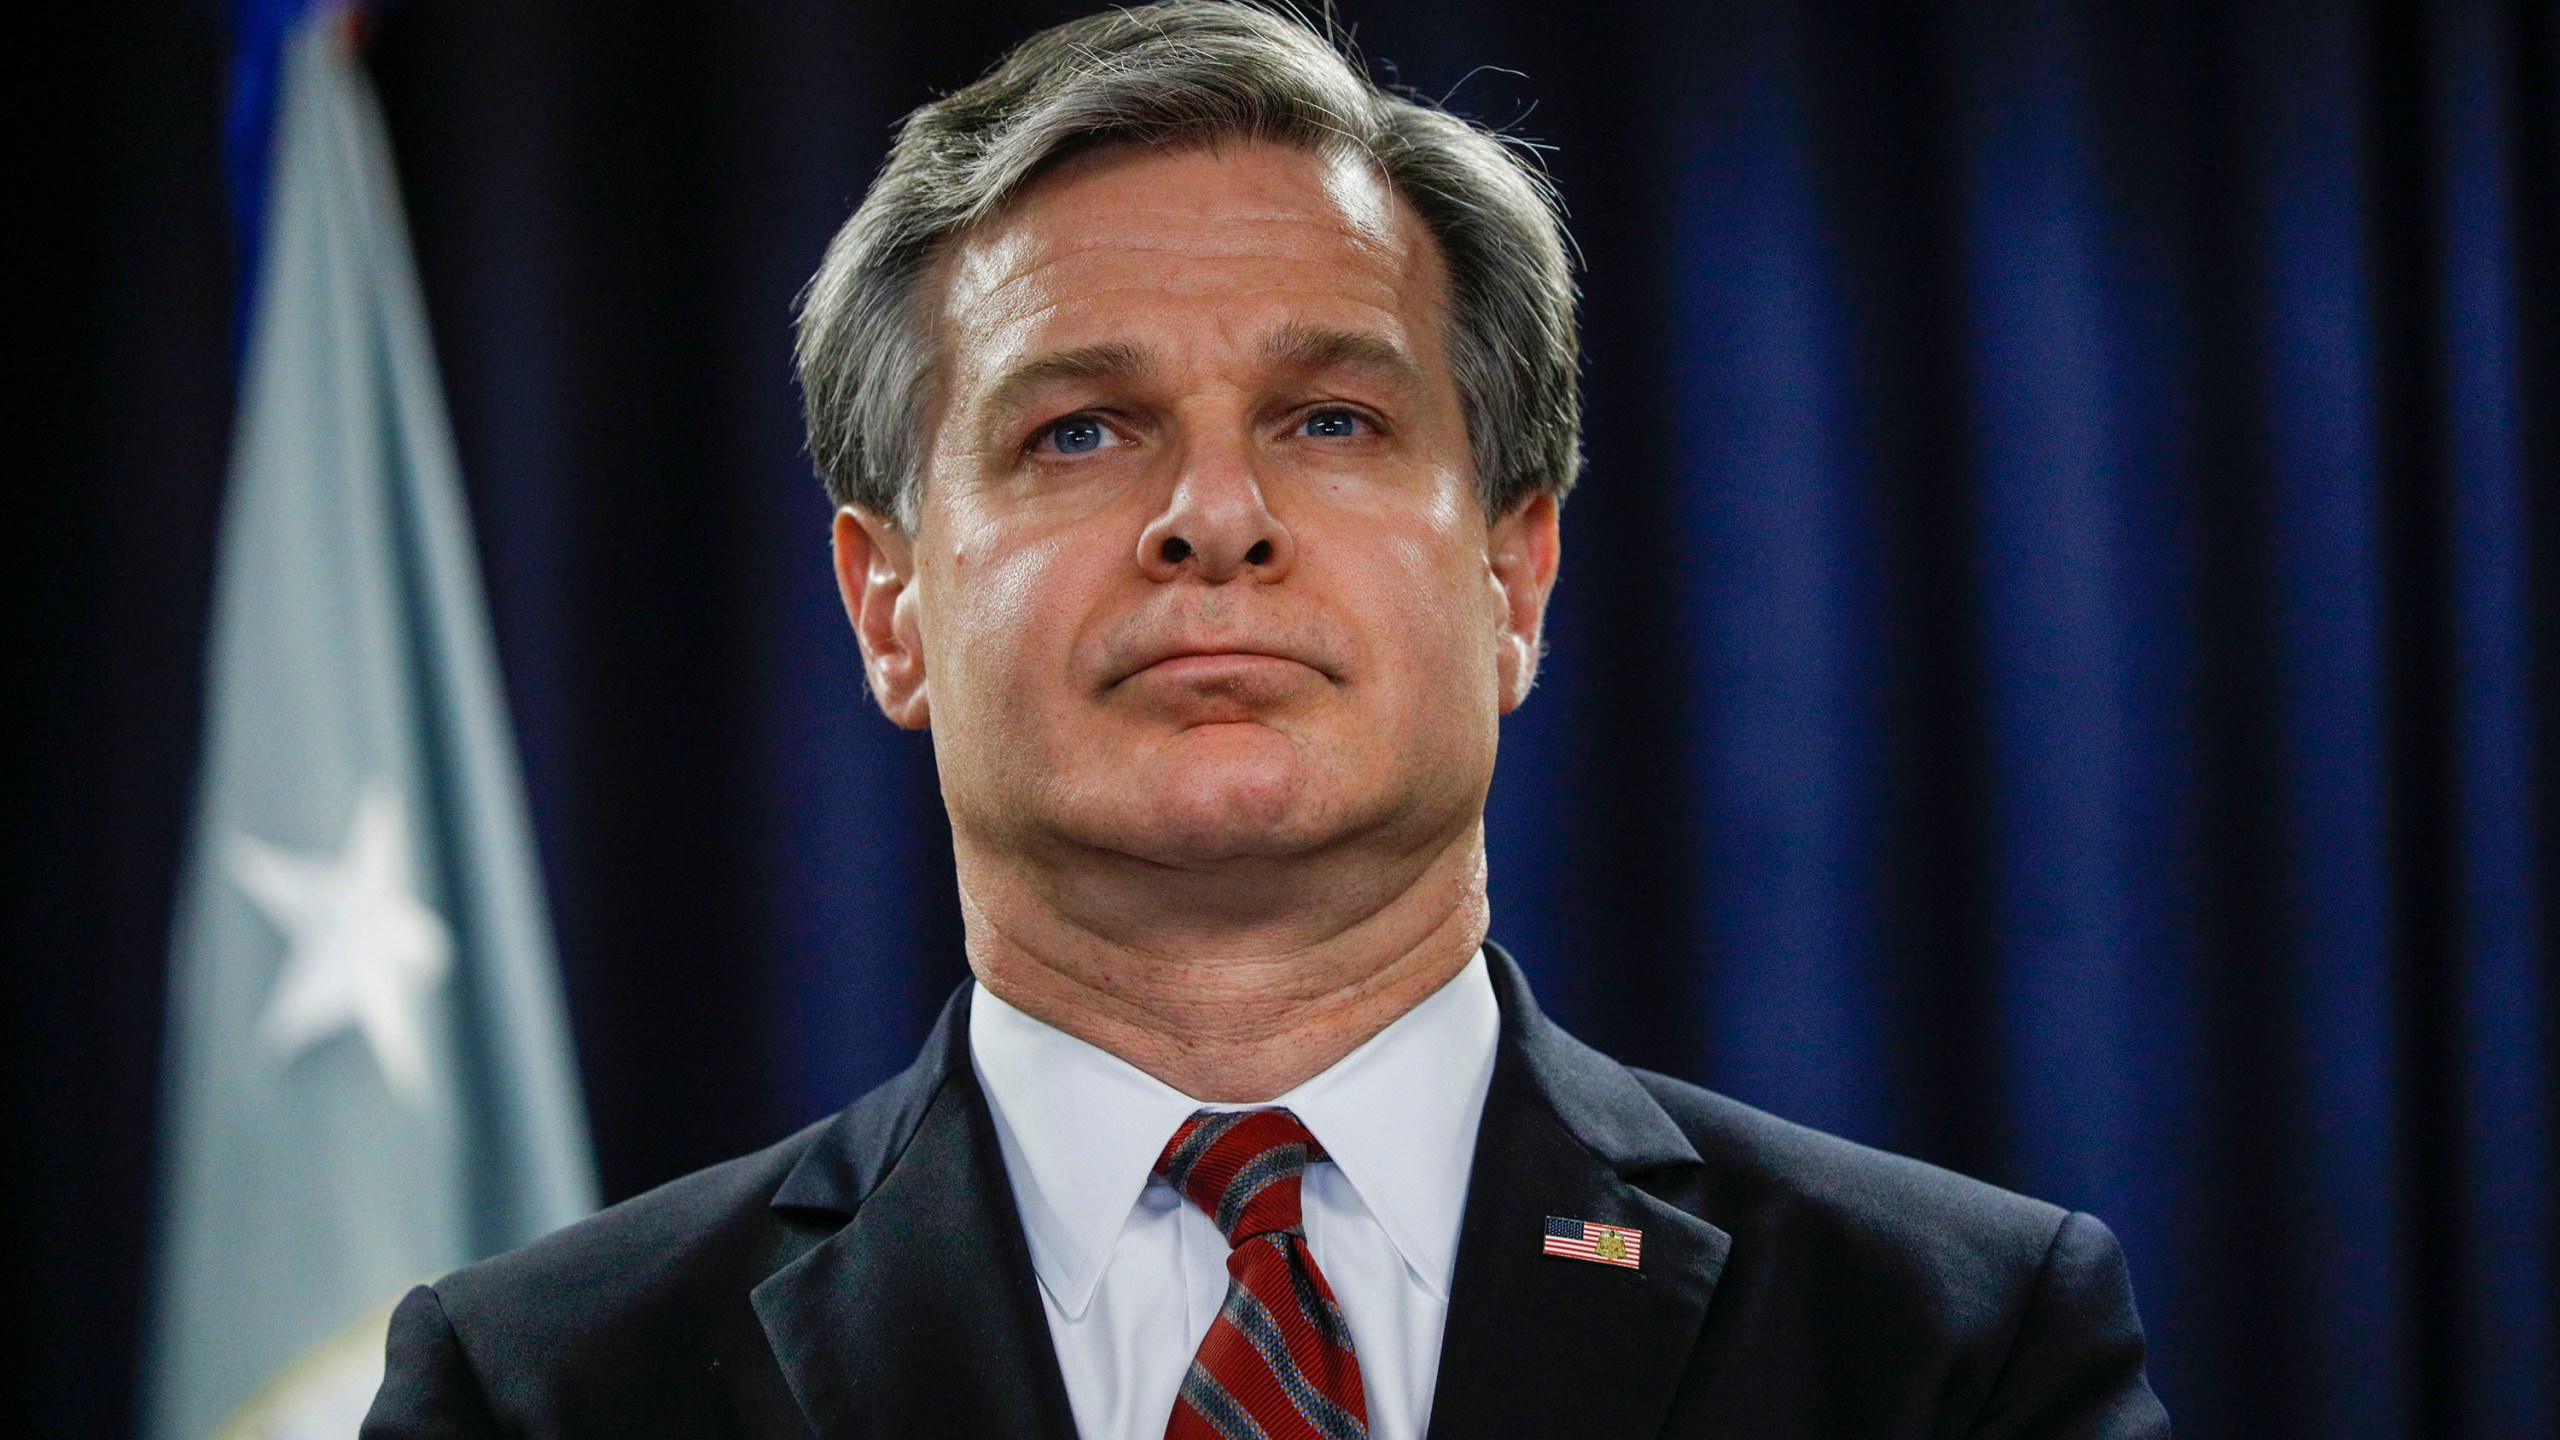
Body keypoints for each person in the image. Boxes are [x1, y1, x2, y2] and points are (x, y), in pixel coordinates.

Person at [364, 4, 2170, 1437]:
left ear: (1515, 579)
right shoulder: (543, 1392)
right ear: (887, 604)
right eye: (1079, 428)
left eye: (1331, 421)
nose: (1213, 515)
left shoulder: (1952, 1351)